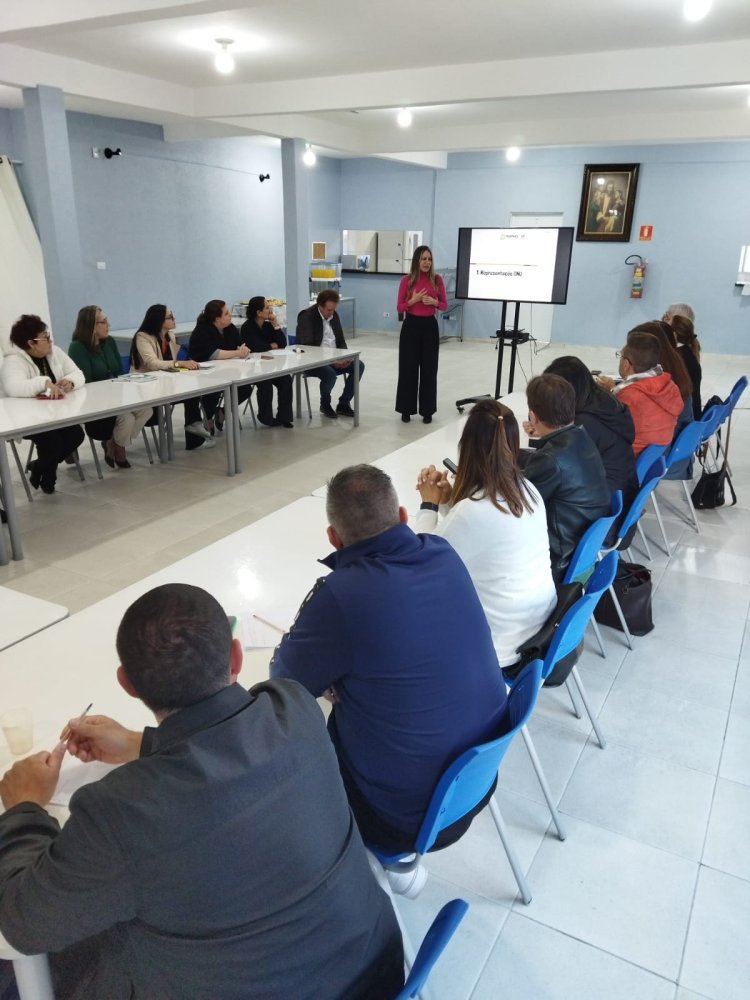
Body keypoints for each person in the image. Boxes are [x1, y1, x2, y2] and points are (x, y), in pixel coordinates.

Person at [0, 584, 404, 1000]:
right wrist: (145, 744)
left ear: (128, 684)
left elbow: (23, 923)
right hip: (378, 973)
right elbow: (229, 759)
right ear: (235, 655)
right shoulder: (294, 706)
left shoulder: (119, 811)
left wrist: (25, 807)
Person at [270, 464, 509, 858]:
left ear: (333, 538)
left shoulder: (340, 595)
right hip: (475, 779)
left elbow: (284, 681)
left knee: (295, 747)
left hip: (401, 817)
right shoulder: (443, 552)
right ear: (401, 515)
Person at [415, 399, 557, 669]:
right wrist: (449, 501)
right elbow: (474, 536)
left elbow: (418, 564)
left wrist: (429, 504)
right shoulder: (526, 490)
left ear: (466, 447)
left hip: (499, 648)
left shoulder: (472, 512)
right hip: (538, 627)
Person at [522, 374, 611, 583]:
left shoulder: (549, 460)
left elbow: (517, 507)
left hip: (557, 560)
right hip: (581, 548)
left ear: (533, 417)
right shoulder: (582, 436)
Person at [1, 315, 85, 494]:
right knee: (52, 442)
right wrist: (43, 383)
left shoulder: (55, 352)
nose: (50, 340)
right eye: (45, 337)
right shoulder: (13, 361)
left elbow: (78, 372)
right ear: (31, 343)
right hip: (28, 418)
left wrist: (70, 381)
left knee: (76, 435)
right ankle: (48, 479)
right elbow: (14, 387)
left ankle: (38, 467)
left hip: (56, 413)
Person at [544, 355, 639, 513]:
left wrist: (546, 430)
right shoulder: (604, 402)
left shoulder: (584, 423)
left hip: (602, 512)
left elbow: (555, 463)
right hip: (619, 499)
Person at [68, 305, 152, 469]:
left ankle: (113, 443)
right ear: (91, 326)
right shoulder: (77, 347)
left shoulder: (110, 342)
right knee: (126, 418)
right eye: (103, 322)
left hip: (117, 396)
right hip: (96, 401)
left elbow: (120, 372)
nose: (108, 325)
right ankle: (120, 449)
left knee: (146, 410)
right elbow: (86, 381)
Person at [130, 304, 215, 451]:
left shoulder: (170, 336)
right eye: (170, 317)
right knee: (188, 390)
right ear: (159, 321)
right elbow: (152, 363)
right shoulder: (142, 337)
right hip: (147, 386)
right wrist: (178, 363)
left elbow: (170, 366)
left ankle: (194, 433)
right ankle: (194, 428)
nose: (174, 319)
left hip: (167, 383)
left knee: (193, 388)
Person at [595, 331, 684, 455]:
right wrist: (613, 390)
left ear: (626, 364)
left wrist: (608, 395)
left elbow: (603, 426)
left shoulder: (629, 397)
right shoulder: (669, 386)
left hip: (626, 461)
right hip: (652, 460)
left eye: (620, 355)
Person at [395, 245, 447, 424]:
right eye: (423, 259)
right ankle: (406, 409)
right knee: (408, 369)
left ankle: (427, 411)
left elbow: (444, 305)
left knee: (429, 370)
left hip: (430, 327)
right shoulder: (407, 280)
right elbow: (400, 307)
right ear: (417, 260)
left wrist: (434, 301)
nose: (426, 262)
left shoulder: (437, 280)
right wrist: (413, 300)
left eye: (429, 259)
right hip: (411, 326)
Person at [296, 290, 365, 419]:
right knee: (329, 374)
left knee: (358, 366)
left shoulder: (334, 315)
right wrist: (332, 361)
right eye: (328, 310)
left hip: (334, 358)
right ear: (320, 306)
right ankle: (325, 404)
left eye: (333, 309)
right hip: (313, 361)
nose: (331, 312)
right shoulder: (306, 316)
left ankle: (344, 403)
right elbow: (309, 348)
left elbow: (341, 340)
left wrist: (345, 356)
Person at [188, 300, 252, 435]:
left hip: (228, 370)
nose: (230, 316)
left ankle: (222, 412)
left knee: (245, 388)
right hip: (204, 374)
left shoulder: (230, 328)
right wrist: (237, 353)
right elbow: (213, 354)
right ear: (217, 318)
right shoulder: (202, 330)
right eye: (227, 313)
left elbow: (240, 344)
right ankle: (208, 420)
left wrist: (243, 349)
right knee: (213, 391)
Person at [240, 296, 293, 427]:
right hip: (253, 367)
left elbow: (282, 342)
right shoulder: (247, 327)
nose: (270, 310)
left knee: (285, 380)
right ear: (258, 312)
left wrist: (275, 322)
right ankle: (265, 417)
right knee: (265, 383)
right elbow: (256, 347)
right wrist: (271, 345)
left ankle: (284, 417)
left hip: (270, 364)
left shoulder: (268, 325)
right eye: (267, 308)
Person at [670, 313, 702, 419]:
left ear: (673, 334)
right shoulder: (688, 352)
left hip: (685, 419)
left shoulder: (677, 359)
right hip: (692, 416)